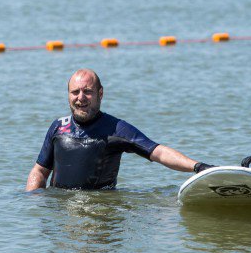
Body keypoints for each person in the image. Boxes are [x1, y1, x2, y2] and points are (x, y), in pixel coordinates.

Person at [25, 69, 214, 191]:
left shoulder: (116, 129)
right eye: (75, 92)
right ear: (68, 95)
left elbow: (158, 152)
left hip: (99, 207)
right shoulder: (58, 126)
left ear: (100, 94)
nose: (80, 98)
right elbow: (39, 171)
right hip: (62, 214)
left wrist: (197, 167)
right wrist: (33, 204)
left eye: (87, 91)